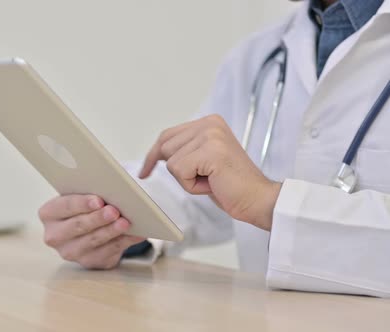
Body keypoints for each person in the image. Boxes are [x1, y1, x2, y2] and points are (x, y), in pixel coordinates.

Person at [38, 0, 390, 298]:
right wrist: (111, 223)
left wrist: (267, 202)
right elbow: (200, 193)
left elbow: (250, 196)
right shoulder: (260, 55)